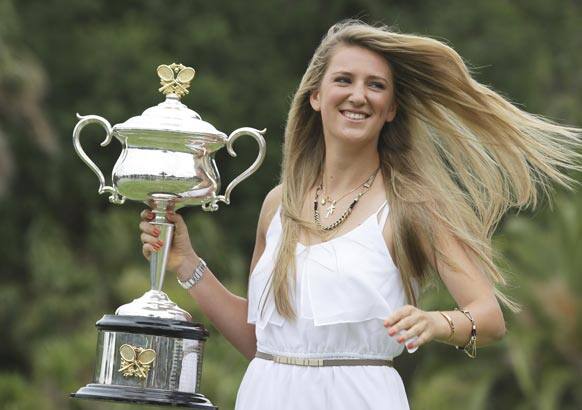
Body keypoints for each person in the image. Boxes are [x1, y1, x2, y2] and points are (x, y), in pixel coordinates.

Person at [139, 20, 581, 410]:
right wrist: (187, 265)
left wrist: (436, 322)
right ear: (315, 95)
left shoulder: (413, 206)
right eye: (344, 80)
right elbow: (261, 341)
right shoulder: (279, 204)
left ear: (390, 109)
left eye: (376, 86)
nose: (358, 95)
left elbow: (488, 317)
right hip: (265, 395)